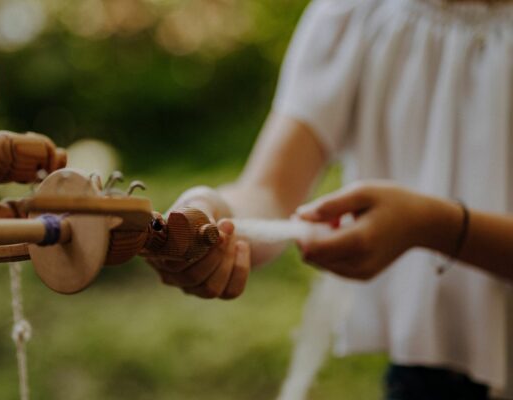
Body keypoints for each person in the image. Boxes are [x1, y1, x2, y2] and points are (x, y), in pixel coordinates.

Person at [147, 0, 513, 398]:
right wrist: (211, 211)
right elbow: (269, 192)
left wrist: (434, 226)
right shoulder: (356, 13)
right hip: (435, 378)